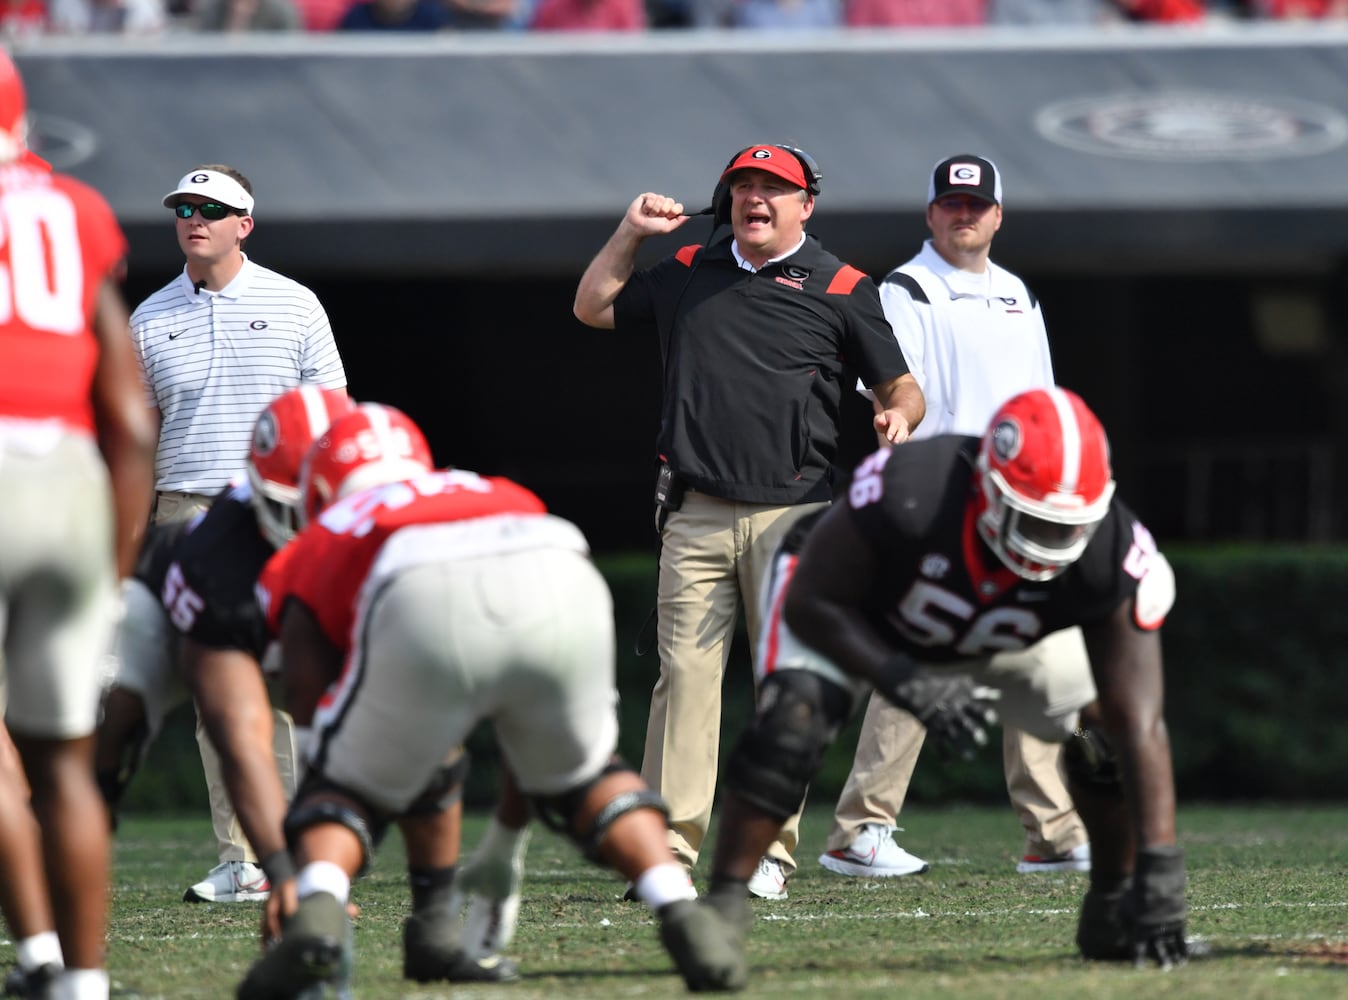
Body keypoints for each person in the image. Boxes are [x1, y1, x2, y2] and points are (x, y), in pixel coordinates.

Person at [674, 387, 1188, 991]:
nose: (1047, 543)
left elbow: (1140, 721)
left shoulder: (1110, 546)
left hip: (999, 629)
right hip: (861, 613)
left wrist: (1161, 870)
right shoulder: (912, 491)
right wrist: (903, 680)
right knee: (794, 722)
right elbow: (815, 606)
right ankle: (727, 904)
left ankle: (1110, 899)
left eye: (1065, 526)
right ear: (987, 487)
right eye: (1032, 519)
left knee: (1098, 738)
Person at [240, 403, 741, 997]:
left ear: (322, 487)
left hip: (417, 584)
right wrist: (506, 840)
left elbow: (306, 695)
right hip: (558, 561)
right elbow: (519, 727)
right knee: (589, 778)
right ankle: (679, 907)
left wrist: (312, 829)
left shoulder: (326, 533)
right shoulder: (487, 488)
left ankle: (317, 914)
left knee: (344, 787)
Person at [572, 143, 925, 900]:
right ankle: (668, 852)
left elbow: (900, 385)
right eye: (743, 187)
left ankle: (767, 851)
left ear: (806, 205)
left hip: (795, 517)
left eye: (774, 189)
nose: (755, 199)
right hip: (695, 511)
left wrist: (896, 413)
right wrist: (630, 232)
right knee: (684, 685)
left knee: (786, 690)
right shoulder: (692, 266)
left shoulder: (842, 284)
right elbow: (593, 306)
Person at [93, 386, 520, 985]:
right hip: (175, 624)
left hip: (300, 617)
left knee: (426, 734)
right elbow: (242, 738)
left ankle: (434, 929)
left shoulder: (393, 536)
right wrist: (290, 876)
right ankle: (63, 950)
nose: (328, 525)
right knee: (98, 761)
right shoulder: (221, 563)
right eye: (307, 509)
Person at [821, 154, 1091, 880]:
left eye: (976, 204)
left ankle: (1053, 834)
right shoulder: (906, 289)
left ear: (998, 215)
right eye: (950, 203)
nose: (962, 214)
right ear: (930, 212)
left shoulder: (1017, 295)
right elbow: (891, 390)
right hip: (940, 496)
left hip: (1020, 502)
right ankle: (860, 831)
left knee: (1038, 657)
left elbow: (1041, 401)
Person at [129, 164, 347, 903]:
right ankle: (244, 858)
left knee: (291, 684)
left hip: (278, 512)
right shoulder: (150, 316)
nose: (195, 218)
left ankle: (296, 846)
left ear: (244, 224)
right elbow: (140, 435)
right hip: (186, 510)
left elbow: (333, 419)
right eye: (185, 208)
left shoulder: (295, 303)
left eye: (213, 209)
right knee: (214, 695)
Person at [0, 50, 157, 1000]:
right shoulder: (78, 209)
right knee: (65, 759)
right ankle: (83, 983)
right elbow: (132, 417)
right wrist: (117, 569)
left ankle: (39, 955)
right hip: (66, 474)